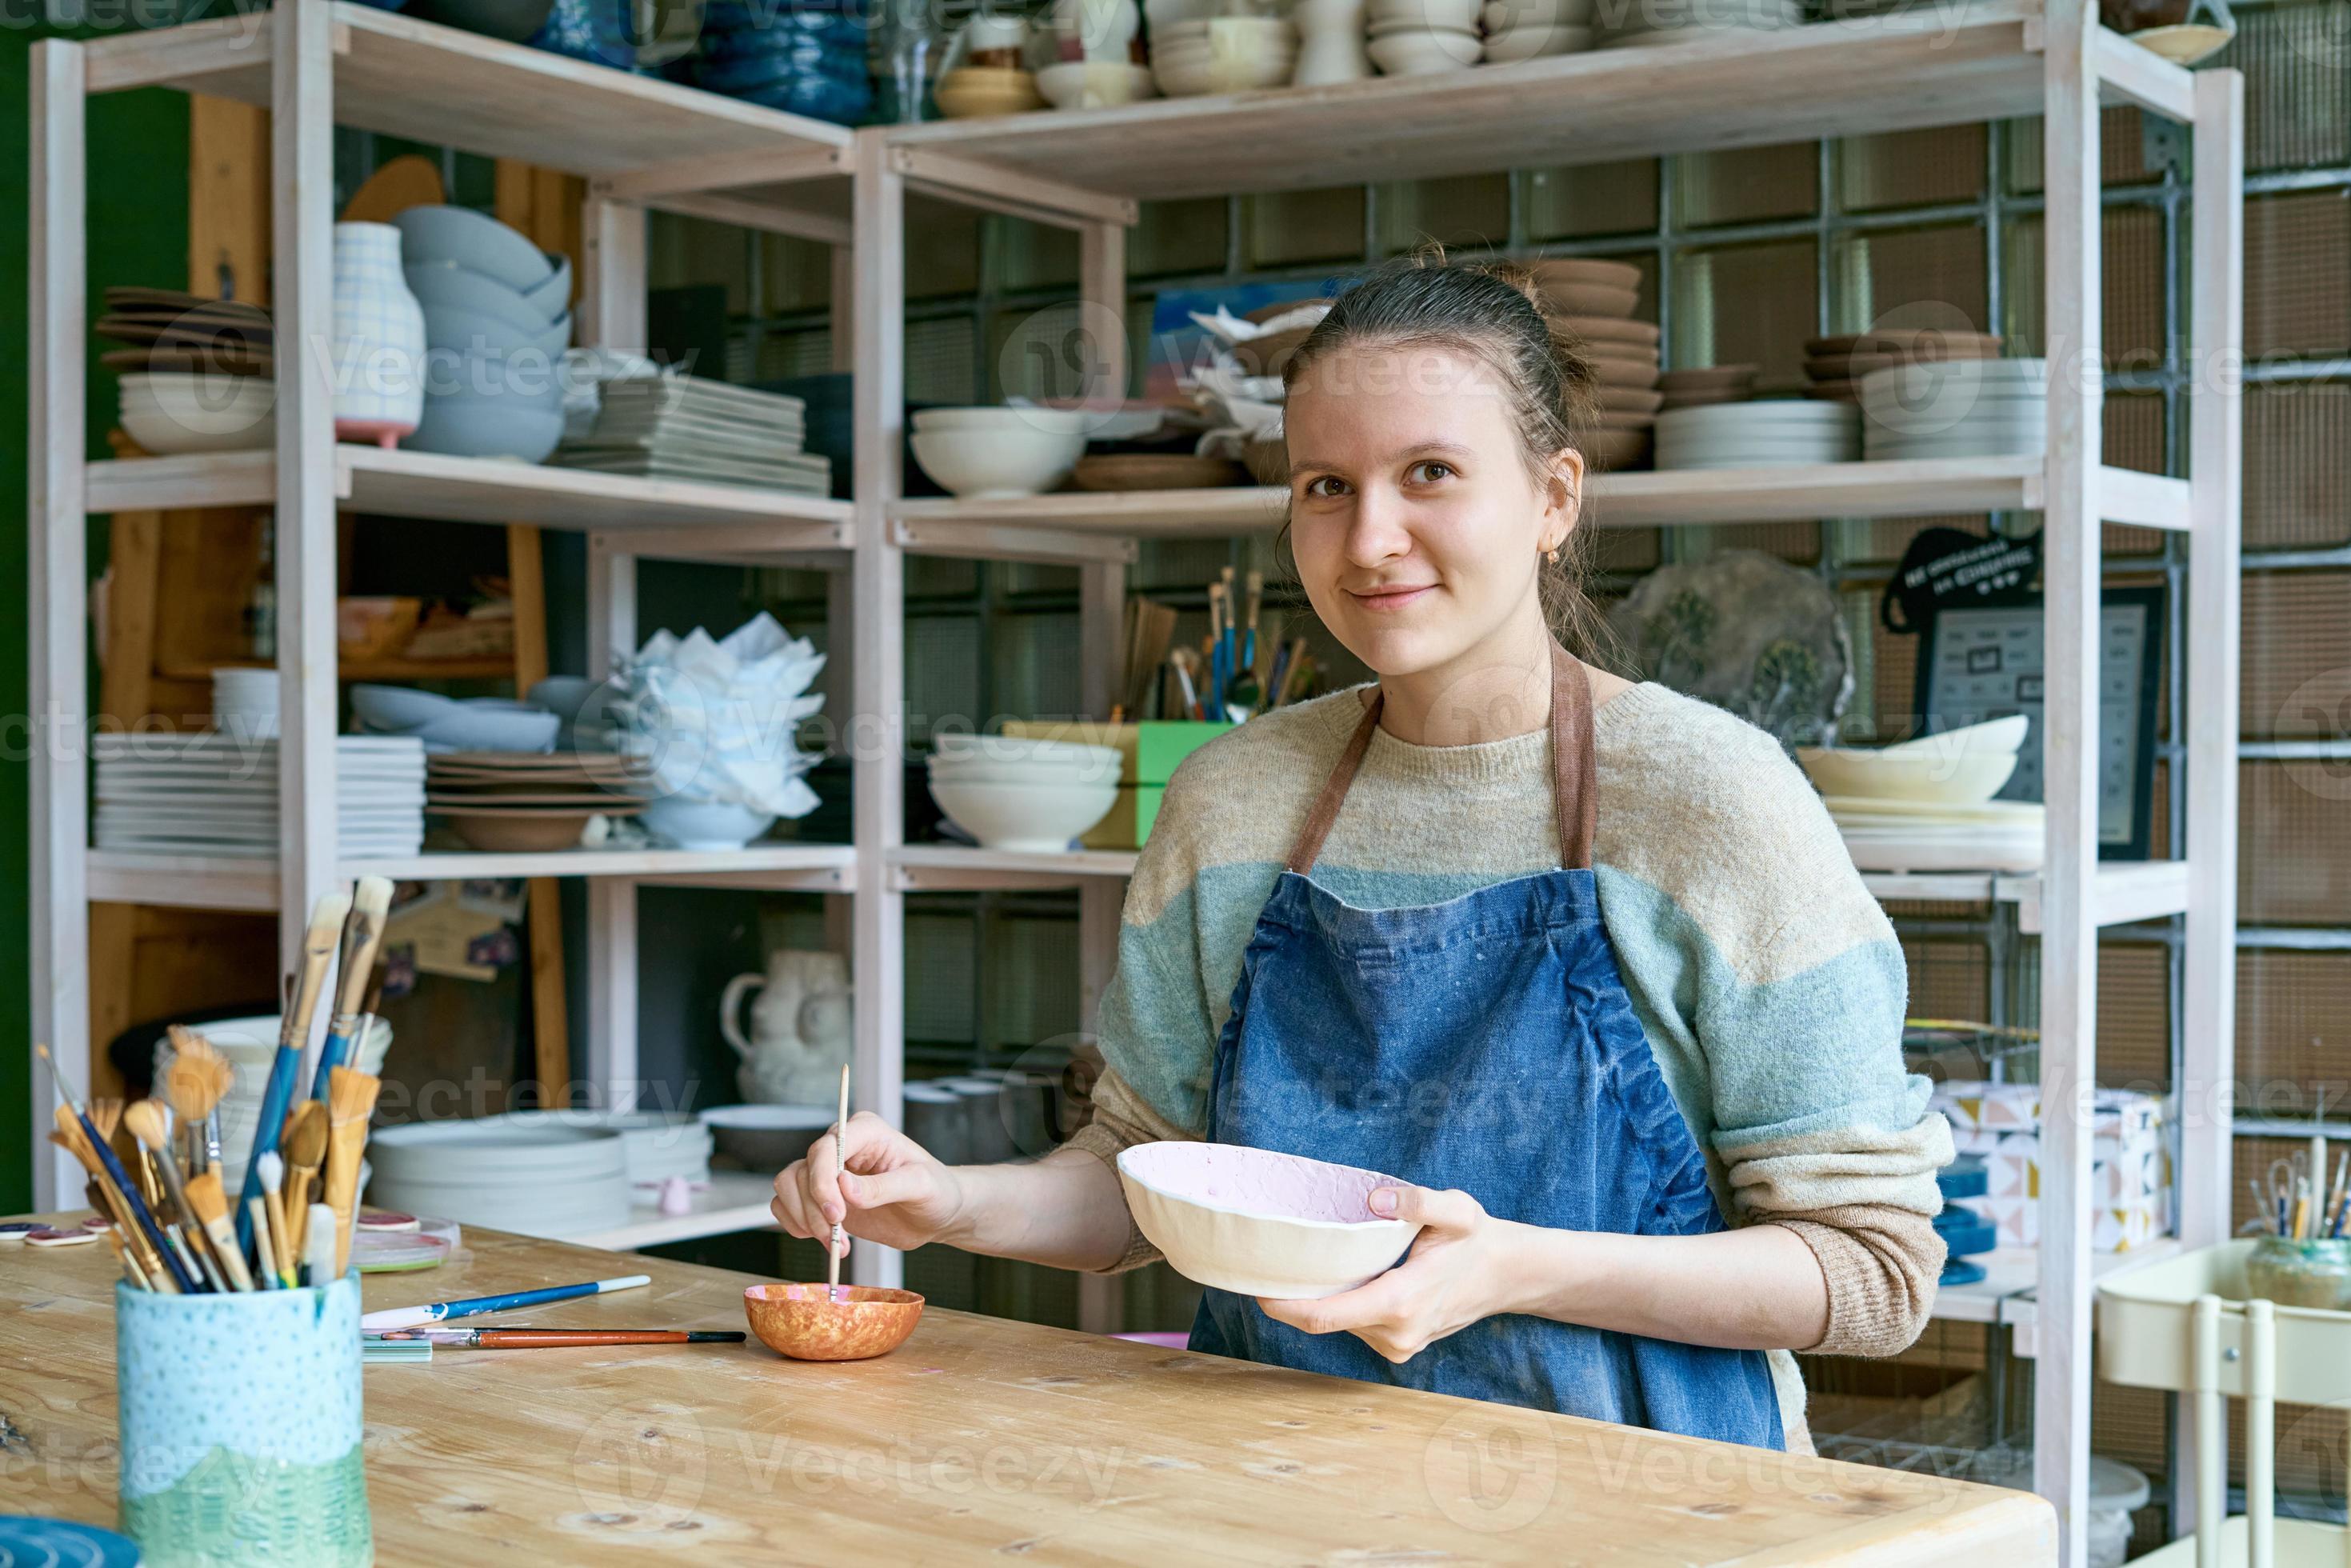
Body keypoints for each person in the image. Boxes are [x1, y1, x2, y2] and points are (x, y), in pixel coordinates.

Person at [774, 251, 1951, 1452]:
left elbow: (1871, 1272)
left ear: (1555, 500)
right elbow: (1142, 1172)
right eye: (1326, 485)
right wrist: (949, 1200)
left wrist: (1509, 1270)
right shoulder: (1231, 799)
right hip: (1274, 1485)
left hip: (1646, 1507)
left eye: (1429, 473)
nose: (1370, 537)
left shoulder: (1715, 800)